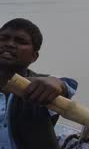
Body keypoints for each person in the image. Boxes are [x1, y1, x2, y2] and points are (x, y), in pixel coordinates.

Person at [0, 18, 77, 148]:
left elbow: (64, 85)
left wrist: (59, 85)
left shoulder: (41, 88)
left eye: (21, 41)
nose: (9, 44)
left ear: (34, 57)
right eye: (3, 38)